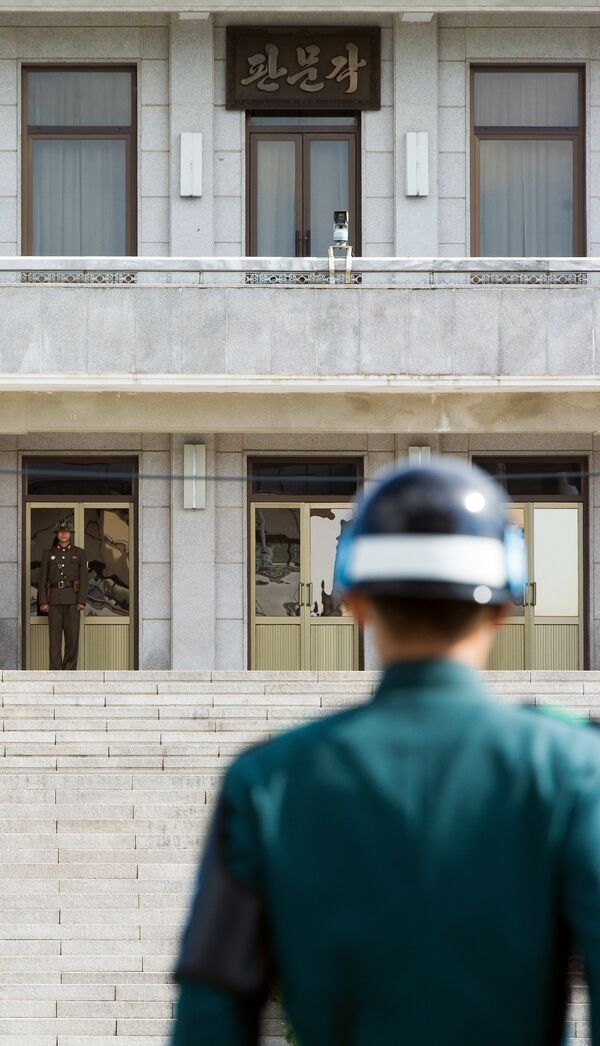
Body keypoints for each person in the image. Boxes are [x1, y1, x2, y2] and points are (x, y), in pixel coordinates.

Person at [171, 457, 600, 1046]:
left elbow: (209, 1015)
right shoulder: (576, 768)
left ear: (353, 600)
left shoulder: (269, 779)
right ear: (503, 605)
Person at [39, 517, 88, 671]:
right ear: (57, 534)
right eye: (61, 532)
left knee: (72, 637)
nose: (64, 534)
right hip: (53, 599)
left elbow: (84, 579)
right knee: (54, 637)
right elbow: (42, 579)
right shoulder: (48, 554)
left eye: (66, 532)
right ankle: (55, 669)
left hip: (73, 600)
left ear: (71, 534)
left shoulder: (79, 553)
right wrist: (43, 601)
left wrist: (81, 600)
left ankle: (69, 668)